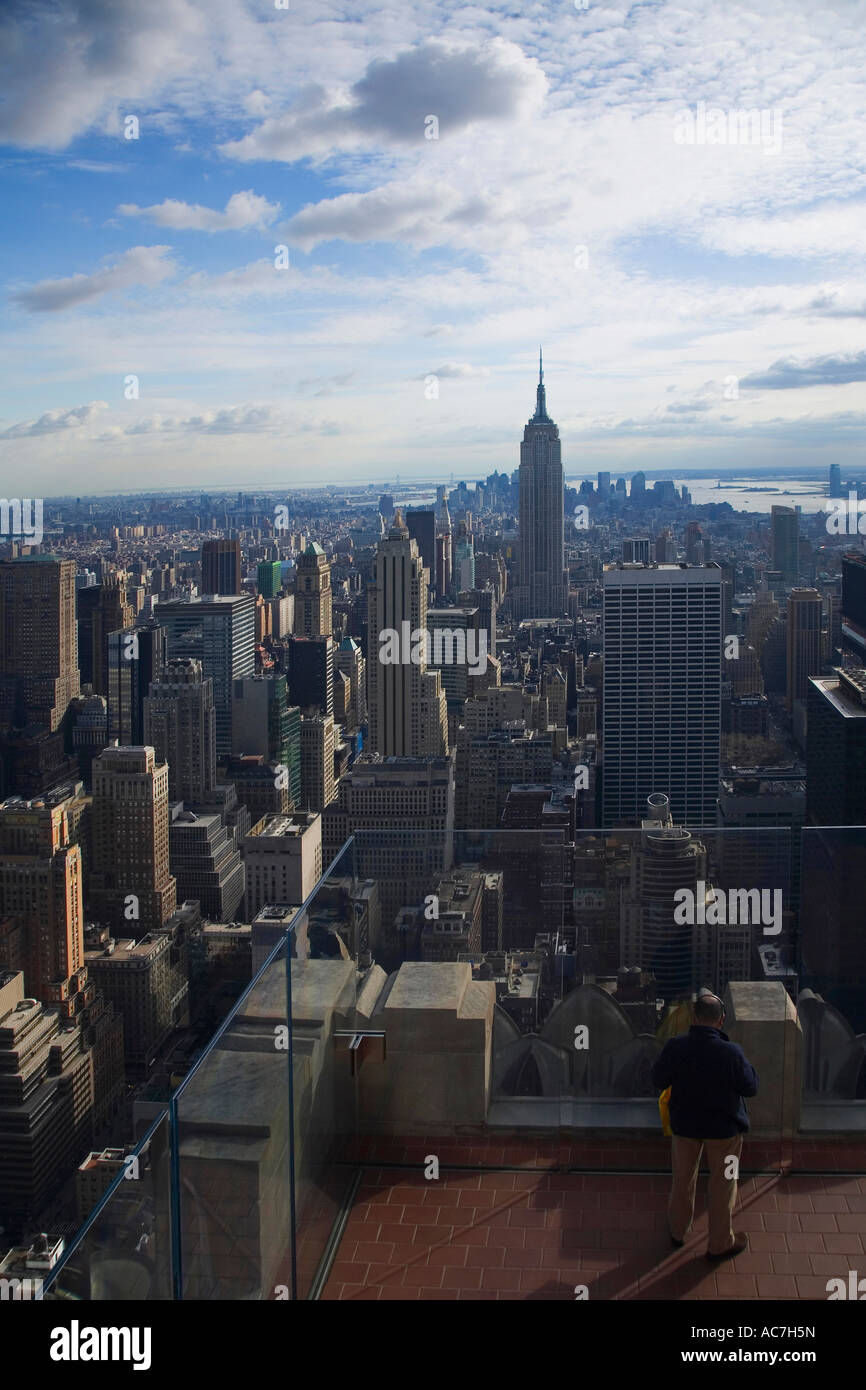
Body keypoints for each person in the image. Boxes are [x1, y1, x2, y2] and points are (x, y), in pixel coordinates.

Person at [651, 992, 758, 1261]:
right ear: (721, 1020)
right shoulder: (732, 1052)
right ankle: (720, 1243)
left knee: (682, 1180)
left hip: (685, 1127)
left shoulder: (676, 1047)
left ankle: (677, 1231)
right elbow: (750, 1087)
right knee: (724, 1184)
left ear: (694, 1018)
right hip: (726, 1132)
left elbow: (658, 1078)